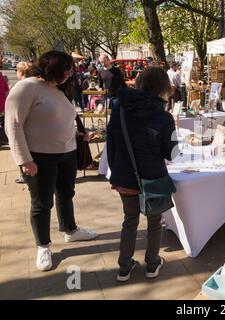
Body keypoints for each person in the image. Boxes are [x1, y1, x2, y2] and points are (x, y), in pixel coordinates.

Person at [4, 51, 97, 272]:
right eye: (64, 71)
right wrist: (24, 159)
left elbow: (59, 120)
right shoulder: (26, 87)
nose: (67, 75)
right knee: (42, 203)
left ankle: (70, 230)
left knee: (66, 194)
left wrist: (77, 136)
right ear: (50, 69)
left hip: (67, 154)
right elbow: (13, 125)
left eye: (69, 71)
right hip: (39, 157)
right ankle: (43, 246)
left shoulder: (56, 88)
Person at [107, 67, 179, 282]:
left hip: (124, 175)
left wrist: (117, 170)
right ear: (163, 87)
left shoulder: (119, 107)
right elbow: (172, 154)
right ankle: (152, 263)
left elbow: (111, 143)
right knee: (154, 221)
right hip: (153, 178)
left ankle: (124, 267)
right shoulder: (164, 117)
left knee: (129, 221)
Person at [0, 71, 9, 146]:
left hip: (2, 105)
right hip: (2, 106)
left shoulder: (2, 78)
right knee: (2, 122)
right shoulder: (2, 78)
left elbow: (6, 90)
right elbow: (7, 91)